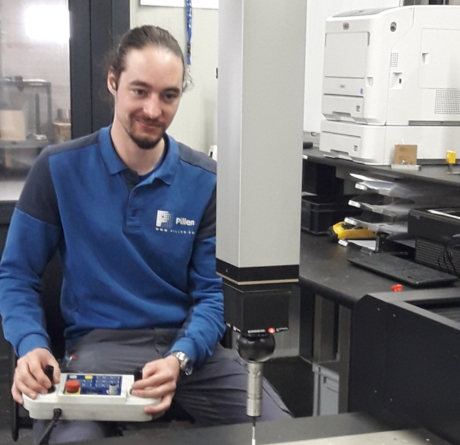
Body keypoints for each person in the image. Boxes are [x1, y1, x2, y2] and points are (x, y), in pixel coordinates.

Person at [0, 25, 291, 443]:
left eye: (168, 95)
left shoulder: (205, 181)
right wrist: (31, 344)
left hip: (190, 351)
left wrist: (181, 357)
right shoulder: (59, 169)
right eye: (140, 91)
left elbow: (213, 294)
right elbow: (17, 273)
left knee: (284, 434)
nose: (153, 109)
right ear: (113, 82)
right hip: (99, 349)